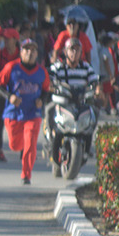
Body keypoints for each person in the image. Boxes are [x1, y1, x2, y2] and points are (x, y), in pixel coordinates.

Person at [0, 40, 49, 184]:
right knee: (15, 145)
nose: (30, 53)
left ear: (37, 53)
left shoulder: (41, 71)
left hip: (33, 113)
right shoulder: (12, 67)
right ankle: (22, 148)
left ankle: (26, 174)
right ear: (21, 52)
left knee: (30, 142)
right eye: (26, 49)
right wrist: (10, 96)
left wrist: (41, 100)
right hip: (14, 114)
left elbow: (46, 89)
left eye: (33, 50)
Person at [45, 37, 100, 166]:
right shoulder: (58, 67)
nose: (74, 53)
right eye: (71, 50)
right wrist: (53, 86)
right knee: (49, 110)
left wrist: (97, 90)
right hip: (62, 101)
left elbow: (94, 81)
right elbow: (50, 79)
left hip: (80, 102)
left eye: (77, 50)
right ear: (65, 51)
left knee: (94, 113)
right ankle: (50, 137)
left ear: (81, 53)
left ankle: (87, 146)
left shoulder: (86, 67)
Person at [0, 27, 19, 162]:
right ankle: (0, 150)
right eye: (4, 38)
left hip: (17, 92)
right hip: (1, 92)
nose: (5, 41)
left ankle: (22, 147)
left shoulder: (21, 55)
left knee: (20, 120)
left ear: (15, 40)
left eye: (8, 39)